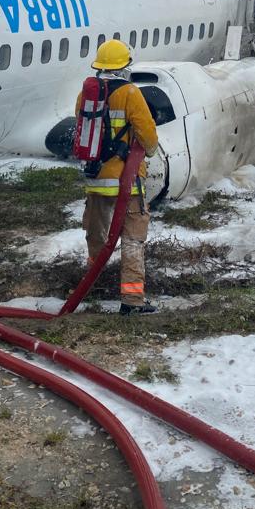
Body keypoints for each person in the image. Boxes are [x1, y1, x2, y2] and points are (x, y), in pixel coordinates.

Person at [76, 39, 159, 315]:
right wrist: (148, 150)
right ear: (124, 66)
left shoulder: (86, 95)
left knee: (96, 234)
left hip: (96, 177)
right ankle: (132, 300)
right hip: (126, 180)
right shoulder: (130, 93)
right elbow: (147, 133)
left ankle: (92, 286)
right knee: (133, 237)